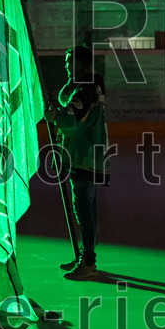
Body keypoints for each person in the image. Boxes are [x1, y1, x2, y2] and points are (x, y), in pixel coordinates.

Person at [44, 44, 110, 280]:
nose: (65, 65)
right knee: (86, 206)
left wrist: (56, 116)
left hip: (84, 155)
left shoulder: (86, 90)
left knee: (84, 207)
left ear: (81, 64)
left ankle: (88, 261)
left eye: (69, 61)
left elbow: (72, 120)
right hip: (88, 153)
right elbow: (69, 102)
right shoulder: (90, 84)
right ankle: (85, 254)